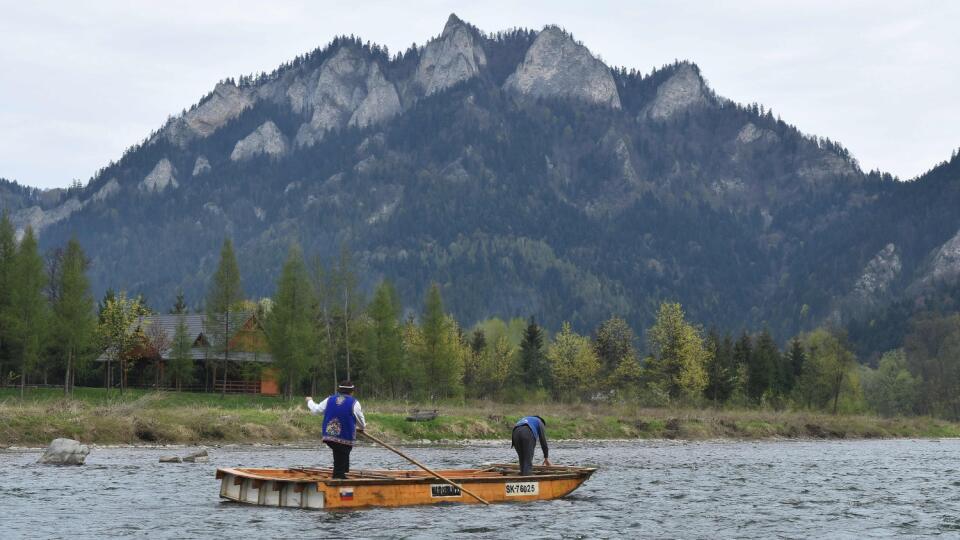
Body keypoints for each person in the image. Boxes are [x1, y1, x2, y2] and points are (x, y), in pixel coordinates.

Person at [305, 380, 366, 479]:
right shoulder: (354, 403)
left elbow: (316, 410)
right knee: (343, 451)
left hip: (329, 435)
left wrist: (309, 401)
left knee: (340, 452)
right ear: (352, 392)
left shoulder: (330, 399)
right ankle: (339, 476)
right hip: (344, 437)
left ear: (339, 390)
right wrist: (362, 428)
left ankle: (342, 472)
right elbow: (361, 422)